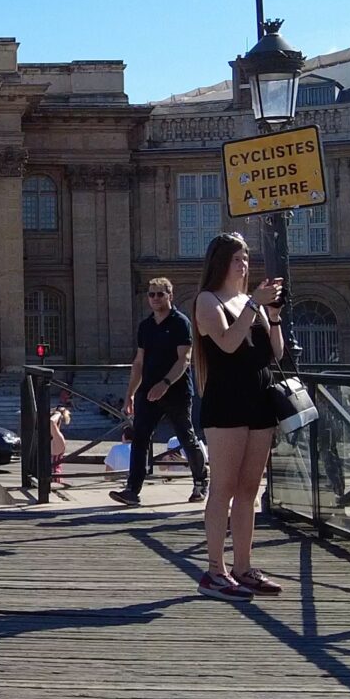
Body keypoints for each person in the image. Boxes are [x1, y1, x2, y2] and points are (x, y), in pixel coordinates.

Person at [193, 231, 285, 600]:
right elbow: (228, 344)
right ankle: (215, 569)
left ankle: (243, 566)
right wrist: (253, 307)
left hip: (260, 398)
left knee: (249, 488)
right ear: (220, 263)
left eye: (246, 259)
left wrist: (273, 316)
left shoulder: (252, 302)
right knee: (224, 487)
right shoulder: (207, 301)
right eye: (236, 259)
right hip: (227, 399)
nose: (243, 265)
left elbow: (275, 354)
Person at [112, 276, 207, 507]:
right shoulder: (145, 326)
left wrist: (165, 383)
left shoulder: (180, 323)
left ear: (169, 296)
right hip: (149, 392)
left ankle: (200, 482)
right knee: (140, 438)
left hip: (175, 390)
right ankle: (132, 490)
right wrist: (131, 393)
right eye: (151, 294)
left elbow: (184, 359)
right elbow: (139, 362)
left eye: (160, 294)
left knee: (186, 437)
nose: (155, 298)